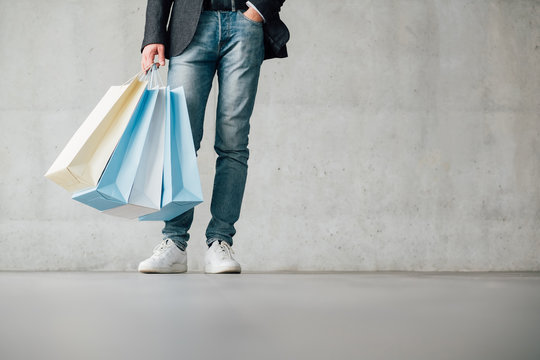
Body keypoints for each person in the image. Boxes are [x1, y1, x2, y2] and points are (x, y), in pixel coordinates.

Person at [137, 0, 289, 274]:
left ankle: (221, 240)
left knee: (233, 142)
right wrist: (153, 34)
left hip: (245, 24)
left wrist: (258, 10)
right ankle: (174, 241)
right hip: (190, 27)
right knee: (179, 143)